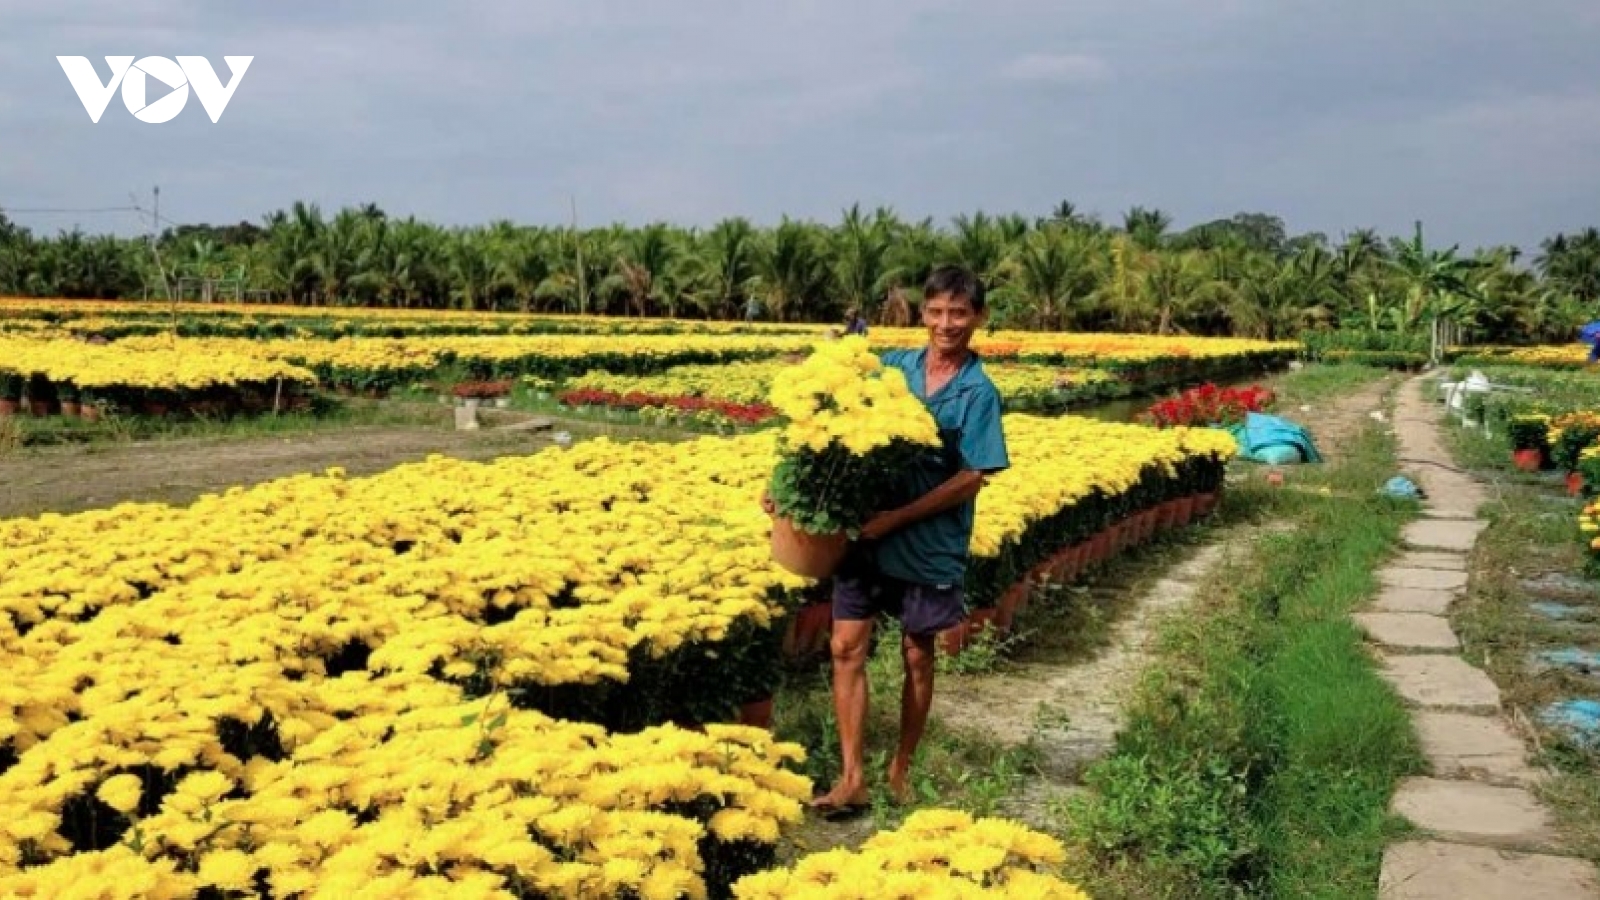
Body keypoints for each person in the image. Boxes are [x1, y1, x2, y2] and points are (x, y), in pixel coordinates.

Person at [779, 265, 1010, 817]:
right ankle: (852, 776)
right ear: (922, 312)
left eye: (959, 313)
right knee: (844, 647)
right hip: (866, 538)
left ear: (978, 318)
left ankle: (900, 767)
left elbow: (971, 477)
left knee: (916, 654)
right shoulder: (892, 369)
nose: (946, 324)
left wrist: (899, 517)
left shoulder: (979, 392)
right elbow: (830, 420)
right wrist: (787, 492)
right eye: (936, 311)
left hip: (927, 545)